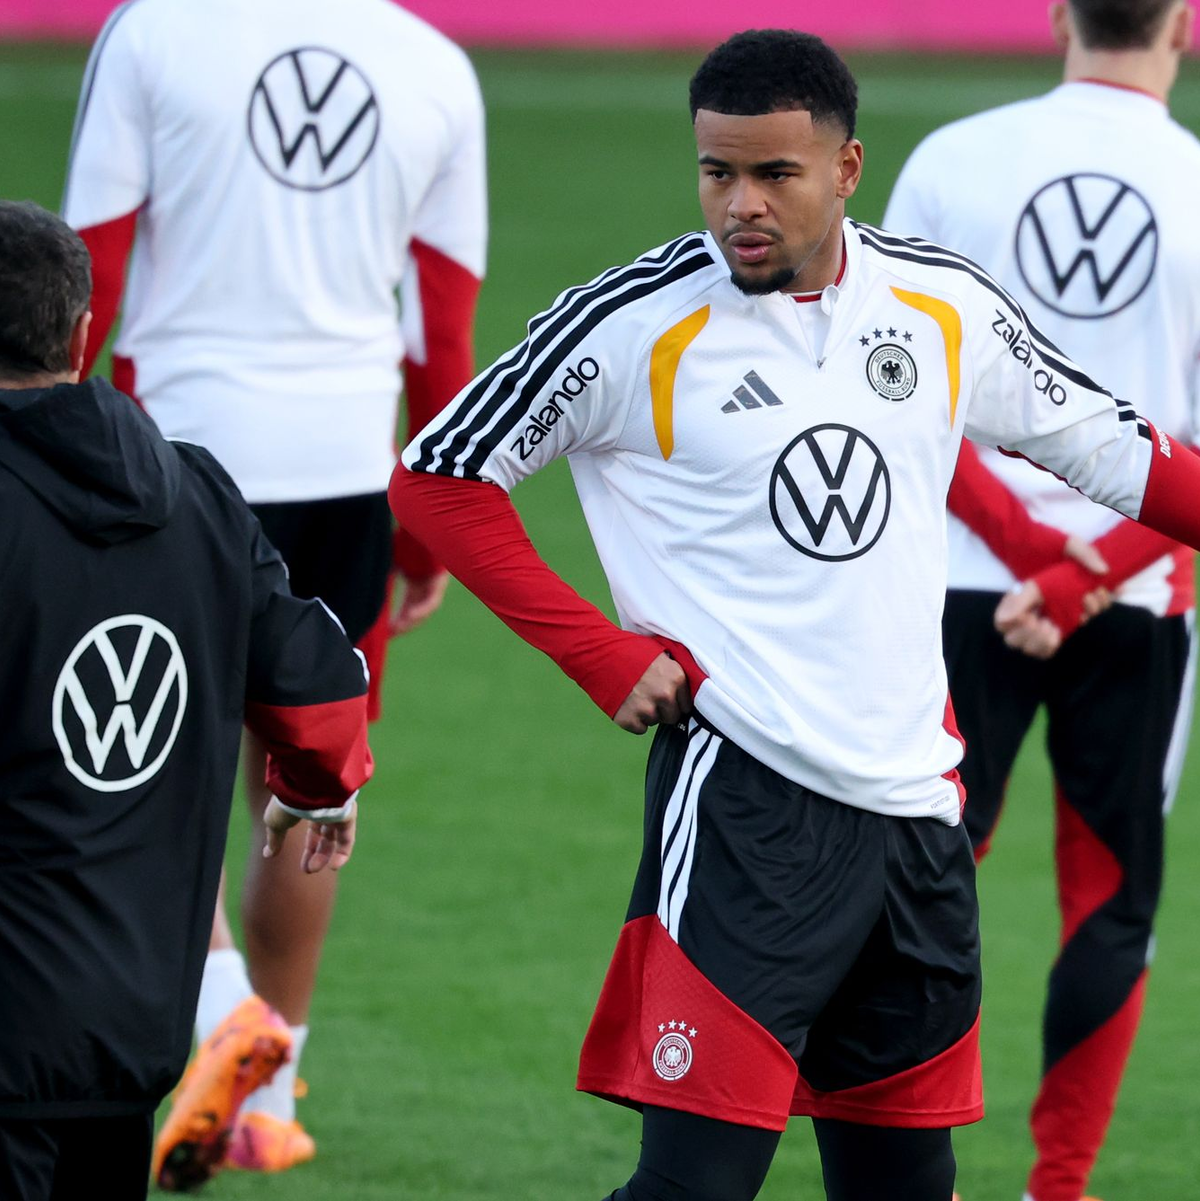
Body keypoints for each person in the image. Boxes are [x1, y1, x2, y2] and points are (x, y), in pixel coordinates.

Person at [388, 27, 1200, 1201]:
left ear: (848, 168)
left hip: (918, 822)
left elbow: (1120, 454)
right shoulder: (630, 323)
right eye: (718, 172)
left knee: (905, 1186)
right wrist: (596, 654)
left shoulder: (939, 304)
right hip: (744, 811)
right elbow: (438, 474)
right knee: (697, 1186)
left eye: (776, 174)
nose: (741, 207)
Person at [60, 0, 486, 1179]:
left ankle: (220, 1019)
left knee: (151, 767)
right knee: (311, 779)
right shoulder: (435, 65)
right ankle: (272, 1093)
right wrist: (427, 532)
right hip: (347, 467)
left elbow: (88, 253)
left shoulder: (153, 34)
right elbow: (439, 325)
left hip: (175, 457)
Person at [884, 4, 1200, 1199]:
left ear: (1060, 12)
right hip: (1138, 589)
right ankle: (1056, 1190)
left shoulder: (953, 160)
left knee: (924, 874)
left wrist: (1026, 553)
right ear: (1183, 20)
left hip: (962, 581)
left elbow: (900, 391)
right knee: (1111, 896)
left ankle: (917, 1168)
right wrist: (1082, 573)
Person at [0, 200, 371, 1201]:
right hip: (129, 1035)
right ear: (85, 333)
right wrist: (315, 786)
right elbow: (327, 690)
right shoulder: (196, 493)